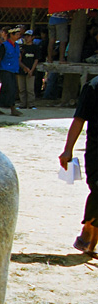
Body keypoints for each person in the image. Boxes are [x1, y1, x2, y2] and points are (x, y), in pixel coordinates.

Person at [59, 74, 98, 257]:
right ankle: (88, 236)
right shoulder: (93, 86)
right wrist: (68, 150)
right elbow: (79, 119)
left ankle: (89, 239)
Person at [0, 27, 23, 117]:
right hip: (5, 69)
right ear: (11, 35)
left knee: (8, 89)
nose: (18, 36)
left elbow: (18, 59)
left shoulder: (17, 46)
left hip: (13, 70)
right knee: (10, 88)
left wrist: (23, 67)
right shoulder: (4, 45)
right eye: (17, 35)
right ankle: (12, 108)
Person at [18, 29, 41, 109]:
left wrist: (31, 70)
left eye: (28, 36)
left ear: (33, 37)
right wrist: (25, 68)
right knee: (22, 89)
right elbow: (19, 60)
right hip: (22, 70)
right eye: (25, 36)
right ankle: (22, 104)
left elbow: (36, 60)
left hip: (32, 71)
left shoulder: (36, 48)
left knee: (30, 89)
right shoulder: (22, 48)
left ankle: (31, 104)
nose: (26, 38)